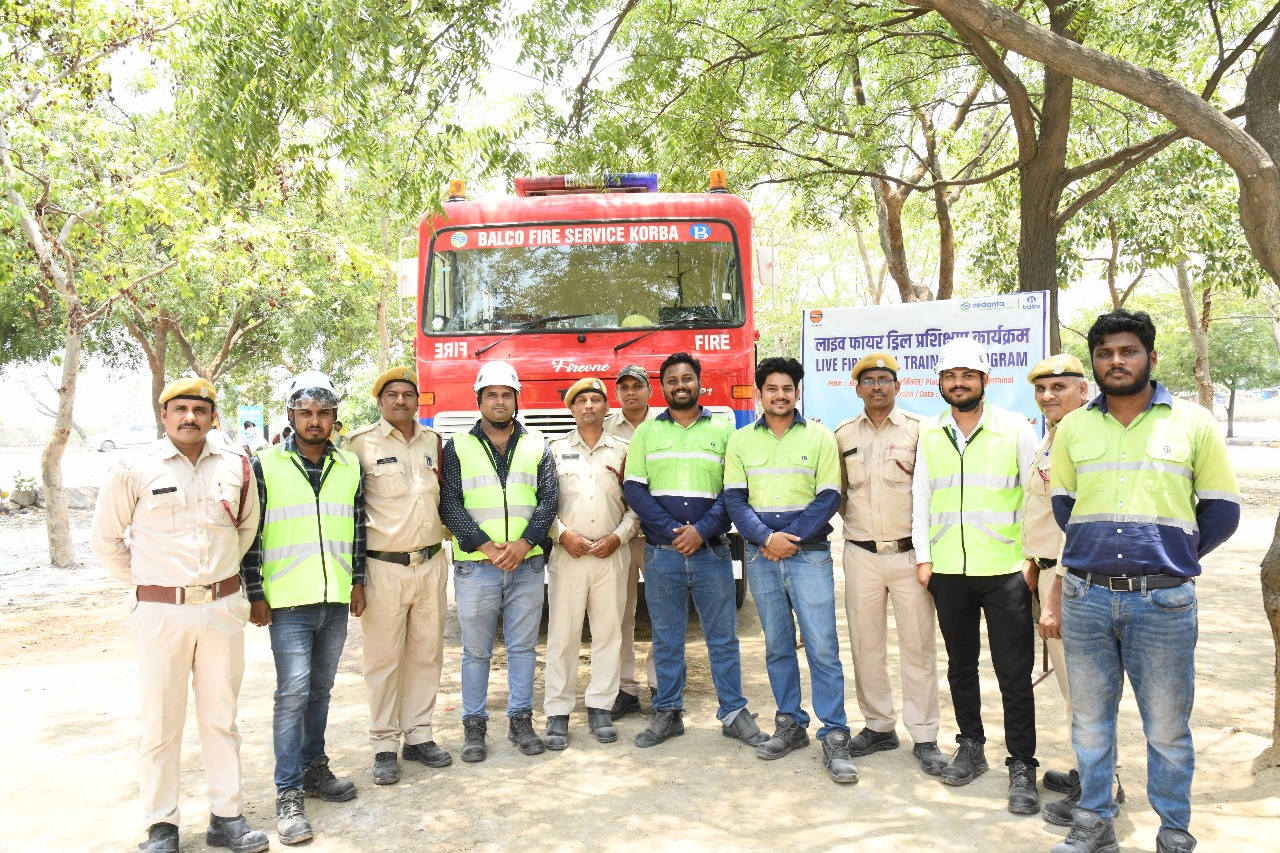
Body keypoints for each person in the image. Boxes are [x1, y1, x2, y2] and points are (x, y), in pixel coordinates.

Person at [1049, 310, 1240, 853]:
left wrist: (1169, 558)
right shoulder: (1074, 428)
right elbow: (1065, 505)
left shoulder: (1193, 422)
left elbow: (1223, 509)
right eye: (1105, 353)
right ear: (1094, 363)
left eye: (1128, 351)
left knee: (1167, 728)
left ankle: (1174, 830)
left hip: (1163, 603)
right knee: (1090, 722)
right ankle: (1094, 819)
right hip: (1086, 597)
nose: (1116, 361)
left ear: (1151, 357)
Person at [91, 378, 269, 853]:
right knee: (160, 723)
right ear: (164, 414)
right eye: (181, 409)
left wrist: (214, 580)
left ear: (213, 416)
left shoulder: (235, 464)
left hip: (220, 609)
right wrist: (150, 582)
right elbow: (106, 539)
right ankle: (161, 826)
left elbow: (246, 528)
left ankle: (226, 818)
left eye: (200, 409)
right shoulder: (133, 467)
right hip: (159, 613)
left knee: (221, 719)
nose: (190, 417)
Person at [912, 337, 1040, 814]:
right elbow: (921, 497)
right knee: (960, 666)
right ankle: (971, 746)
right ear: (940, 383)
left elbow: (1034, 496)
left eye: (968, 375)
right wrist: (924, 558)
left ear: (985, 380)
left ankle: (1022, 763)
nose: (958, 383)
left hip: (1005, 570)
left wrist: (1031, 559)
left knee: (1013, 673)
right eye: (950, 376)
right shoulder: (931, 431)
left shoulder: (1015, 428)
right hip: (948, 570)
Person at [242, 370, 366, 846]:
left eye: (324, 413)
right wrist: (256, 591)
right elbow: (251, 532)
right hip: (287, 601)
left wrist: (357, 582)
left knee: (321, 691)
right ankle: (288, 791)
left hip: (334, 598)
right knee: (292, 693)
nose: (315, 421)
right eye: (306, 412)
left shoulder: (349, 465)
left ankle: (315, 769)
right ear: (291, 415)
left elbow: (357, 528)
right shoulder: (264, 464)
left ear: (335, 417)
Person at [624, 352, 768, 749]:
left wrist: (701, 530)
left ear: (700, 383)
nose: (680, 385)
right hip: (662, 553)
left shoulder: (725, 431)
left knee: (722, 638)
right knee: (667, 638)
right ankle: (668, 711)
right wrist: (674, 532)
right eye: (672, 380)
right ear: (663, 387)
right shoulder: (646, 433)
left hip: (712, 554)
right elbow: (634, 488)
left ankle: (734, 713)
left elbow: (734, 490)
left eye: (687, 378)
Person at [724, 357, 856, 784]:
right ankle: (791, 724)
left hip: (809, 555)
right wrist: (766, 538)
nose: (779, 395)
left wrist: (789, 539)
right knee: (778, 646)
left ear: (797, 392)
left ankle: (834, 733)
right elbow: (734, 498)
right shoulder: (741, 440)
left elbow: (828, 496)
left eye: (787, 388)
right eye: (772, 388)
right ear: (759, 393)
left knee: (822, 646)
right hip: (761, 557)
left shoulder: (819, 436)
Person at [1021, 354, 1126, 827]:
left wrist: (1056, 594)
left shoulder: (1085, 437)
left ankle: (1102, 788)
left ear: (1084, 390)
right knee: (1073, 686)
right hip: (1048, 571)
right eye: (1042, 389)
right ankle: (1091, 771)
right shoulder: (1054, 434)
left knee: (1084, 692)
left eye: (1059, 387)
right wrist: (1032, 560)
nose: (1048, 396)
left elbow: (1080, 521)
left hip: (1072, 578)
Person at [439, 360, 559, 761]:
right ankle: (474, 726)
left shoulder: (538, 444)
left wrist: (525, 543)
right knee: (476, 652)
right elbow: (449, 503)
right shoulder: (457, 446)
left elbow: (549, 500)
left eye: (506, 394)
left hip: (527, 564)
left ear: (516, 399)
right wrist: (488, 547)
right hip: (477, 566)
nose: (499, 401)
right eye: (491, 394)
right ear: (479, 400)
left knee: (523, 648)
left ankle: (520, 721)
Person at [833, 352, 946, 777]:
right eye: (869, 380)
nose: (877, 386)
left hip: (909, 555)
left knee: (918, 646)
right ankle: (879, 726)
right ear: (857, 389)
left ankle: (925, 734)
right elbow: (839, 494)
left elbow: (933, 492)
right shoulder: (843, 435)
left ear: (898, 386)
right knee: (865, 645)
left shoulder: (921, 430)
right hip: (861, 553)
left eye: (885, 379)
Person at [344, 368, 451, 786]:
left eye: (408, 394)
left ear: (417, 400)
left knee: (426, 654)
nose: (401, 400)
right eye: (393, 394)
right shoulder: (359, 445)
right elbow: (350, 513)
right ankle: (384, 744)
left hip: (431, 563)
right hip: (382, 567)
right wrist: (355, 577)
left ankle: (419, 735)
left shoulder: (434, 442)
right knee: (383, 660)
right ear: (380, 401)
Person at [543, 377, 641, 748]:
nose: (589, 406)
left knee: (608, 633)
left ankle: (601, 705)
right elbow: (542, 503)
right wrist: (561, 534)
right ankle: (558, 710)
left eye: (596, 400)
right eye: (581, 400)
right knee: (562, 634)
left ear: (606, 407)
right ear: (571, 408)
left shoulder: (624, 450)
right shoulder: (553, 451)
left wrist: (619, 537)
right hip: (568, 555)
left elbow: (636, 505)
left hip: (611, 554)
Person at [603, 364, 658, 719]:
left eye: (636, 386)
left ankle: (660, 685)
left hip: (656, 534)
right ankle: (624, 689)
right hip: (619, 537)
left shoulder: (664, 425)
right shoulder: (605, 427)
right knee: (618, 613)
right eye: (623, 387)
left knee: (663, 612)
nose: (630, 392)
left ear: (649, 390)